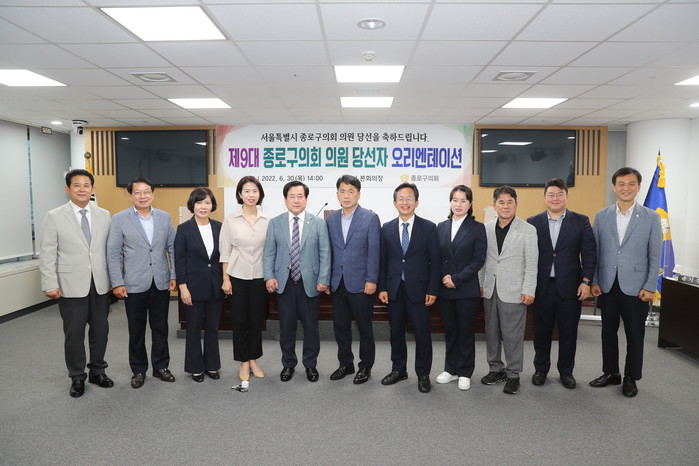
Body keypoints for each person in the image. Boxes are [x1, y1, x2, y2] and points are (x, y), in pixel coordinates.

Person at [39, 169, 113, 397]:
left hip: (100, 283)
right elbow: (48, 252)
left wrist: (115, 279)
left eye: (86, 185)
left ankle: (98, 371)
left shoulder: (104, 215)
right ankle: (77, 376)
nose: (82, 189)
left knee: (101, 331)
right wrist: (49, 283)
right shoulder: (54, 216)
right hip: (69, 285)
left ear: (93, 189)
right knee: (74, 334)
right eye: (77, 185)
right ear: (67, 189)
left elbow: (110, 250)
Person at [589, 167, 662, 397]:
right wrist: (595, 280)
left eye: (631, 184)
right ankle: (611, 372)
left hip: (637, 287)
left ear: (638, 187)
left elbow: (655, 255)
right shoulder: (602, 216)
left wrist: (650, 286)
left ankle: (631, 377)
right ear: (614, 187)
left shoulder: (651, 217)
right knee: (607, 333)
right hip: (608, 285)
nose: (626, 188)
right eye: (621, 184)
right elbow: (595, 252)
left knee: (635, 335)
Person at [107, 177, 177, 389]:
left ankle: (161, 367)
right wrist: (117, 282)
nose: (143, 196)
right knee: (136, 330)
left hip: (160, 282)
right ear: (130, 196)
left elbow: (172, 248)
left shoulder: (164, 217)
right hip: (133, 284)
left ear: (153, 194)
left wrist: (174, 275)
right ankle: (138, 370)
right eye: (137, 192)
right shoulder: (120, 219)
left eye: (147, 191)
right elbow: (113, 253)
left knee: (160, 328)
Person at [527, 178, 596, 389]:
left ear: (566, 196)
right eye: (551, 194)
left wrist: (586, 281)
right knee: (541, 332)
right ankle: (541, 369)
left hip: (571, 287)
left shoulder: (581, 221)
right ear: (544, 197)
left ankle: (566, 371)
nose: (555, 198)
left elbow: (589, 254)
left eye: (559, 194)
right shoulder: (533, 222)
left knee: (568, 333)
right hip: (542, 287)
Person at [263, 181, 330, 382]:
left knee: (311, 327)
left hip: (310, 283)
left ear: (306, 199)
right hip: (284, 283)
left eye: (300, 196)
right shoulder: (275, 223)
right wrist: (269, 276)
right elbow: (269, 253)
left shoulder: (318, 223)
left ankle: (310, 365)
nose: (296, 200)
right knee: (286, 327)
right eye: (292, 196)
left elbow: (325, 253)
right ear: (285, 200)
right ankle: (288, 364)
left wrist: (324, 279)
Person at [378, 183, 439, 393]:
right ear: (395, 203)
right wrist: (382, 287)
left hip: (420, 290)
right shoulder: (386, 228)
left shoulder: (429, 228)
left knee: (422, 333)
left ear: (417, 202)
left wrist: (432, 289)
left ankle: (423, 374)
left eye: (409, 198)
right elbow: (383, 261)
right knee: (396, 332)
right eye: (401, 199)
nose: (405, 202)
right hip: (394, 289)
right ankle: (398, 369)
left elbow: (435, 262)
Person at [478, 185, 538, 395]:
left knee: (513, 335)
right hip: (490, 289)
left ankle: (513, 374)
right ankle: (496, 369)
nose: (505, 206)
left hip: (515, 290)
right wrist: (481, 284)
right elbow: (482, 261)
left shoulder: (528, 230)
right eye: (501, 202)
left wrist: (529, 289)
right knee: (491, 332)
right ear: (494, 205)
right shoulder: (486, 228)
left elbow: (532, 263)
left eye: (509, 202)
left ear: (516, 204)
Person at [326, 175, 380, 385]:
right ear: (337, 194)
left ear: (358, 194)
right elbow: (328, 252)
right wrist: (326, 279)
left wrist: (372, 279)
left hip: (361, 283)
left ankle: (365, 366)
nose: (346, 195)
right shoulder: (331, 219)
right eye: (342, 191)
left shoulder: (370, 218)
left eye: (351, 191)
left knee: (364, 327)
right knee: (340, 327)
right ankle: (345, 363)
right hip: (338, 282)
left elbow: (374, 251)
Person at [435, 185, 486, 391]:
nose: (458, 204)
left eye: (463, 200)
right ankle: (450, 369)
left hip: (466, 288)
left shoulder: (477, 228)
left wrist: (456, 279)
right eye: (455, 200)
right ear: (450, 202)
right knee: (450, 331)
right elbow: (435, 257)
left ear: (470, 204)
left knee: (465, 331)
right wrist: (444, 277)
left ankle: (465, 371)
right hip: (445, 288)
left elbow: (478, 259)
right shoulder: (441, 227)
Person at [220, 176, 270, 382]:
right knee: (239, 321)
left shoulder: (267, 220)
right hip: (237, 277)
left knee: (256, 321)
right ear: (240, 194)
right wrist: (226, 278)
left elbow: (270, 250)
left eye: (255, 191)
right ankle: (243, 362)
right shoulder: (230, 220)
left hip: (259, 277)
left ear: (260, 194)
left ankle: (253, 359)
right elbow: (225, 252)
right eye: (247, 191)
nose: (251, 195)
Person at [174, 187, 223, 383]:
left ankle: (212, 365)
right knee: (193, 329)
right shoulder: (184, 229)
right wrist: (183, 287)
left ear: (212, 205)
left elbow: (223, 257)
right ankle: (195, 367)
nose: (203, 206)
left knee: (213, 328)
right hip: (192, 287)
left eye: (207, 202)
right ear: (192, 205)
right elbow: (179, 260)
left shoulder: (219, 227)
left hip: (215, 286)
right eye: (199, 202)